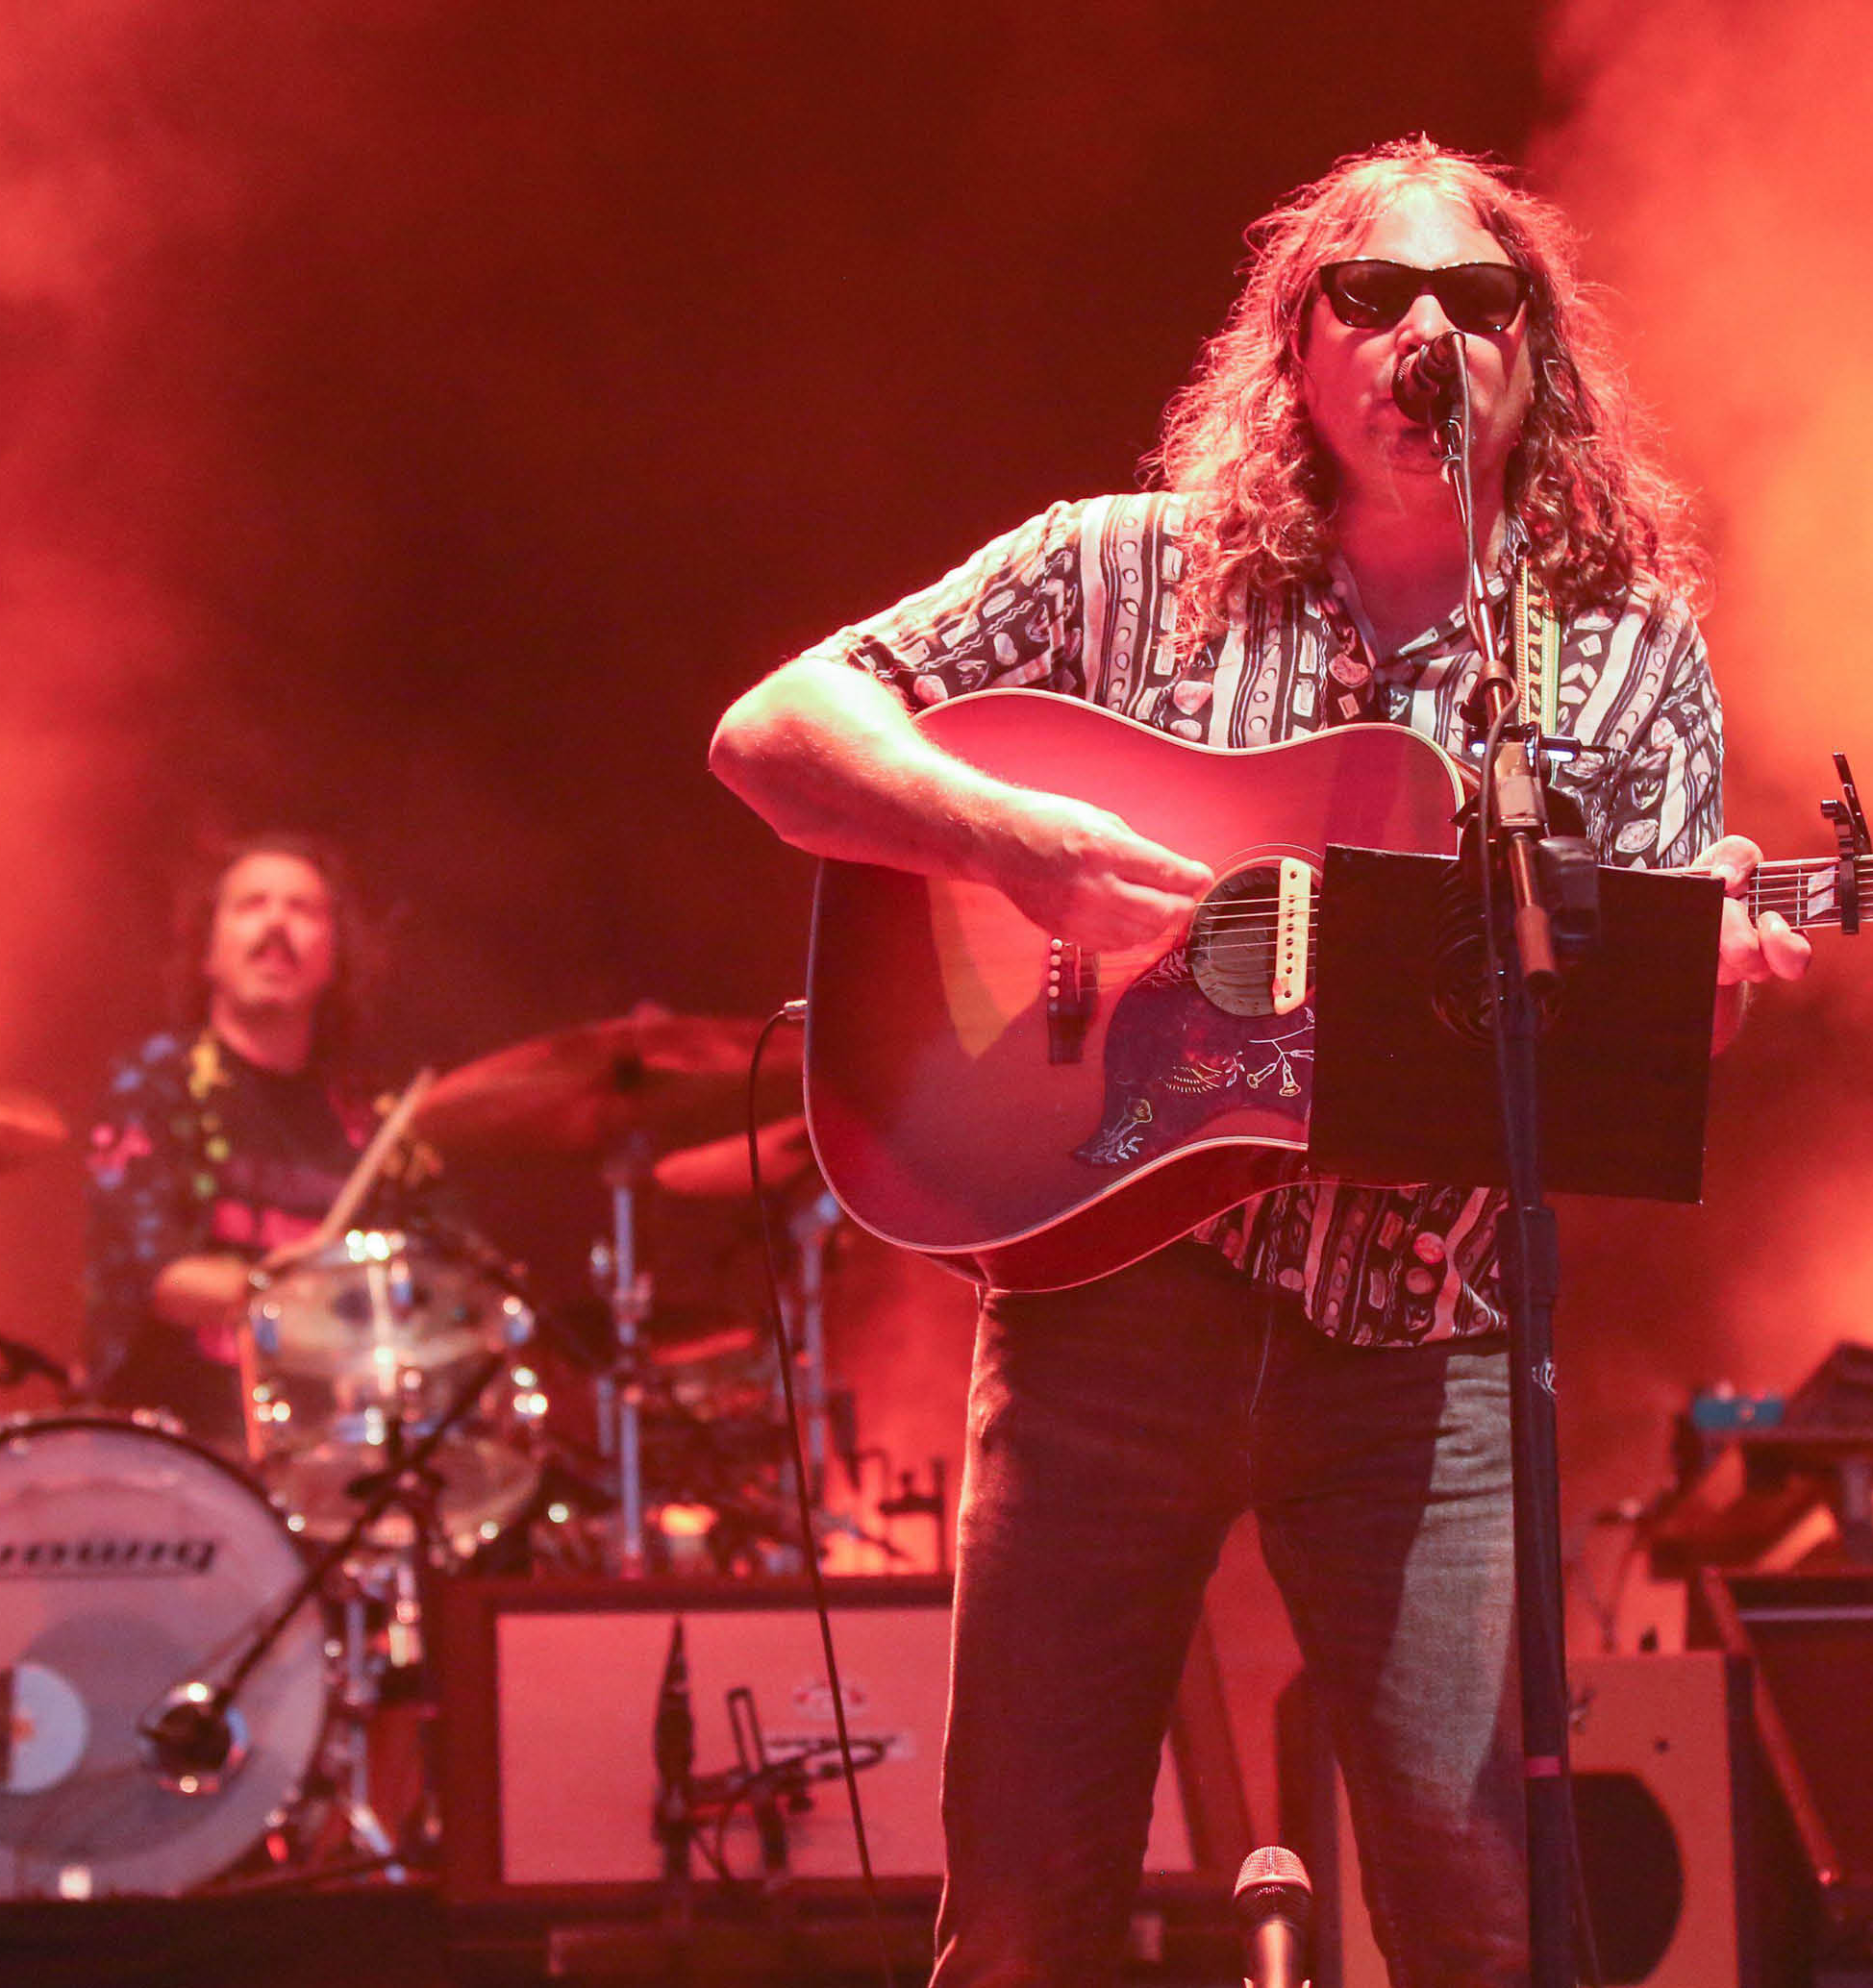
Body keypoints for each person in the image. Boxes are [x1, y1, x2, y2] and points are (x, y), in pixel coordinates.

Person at [712, 137, 1808, 1986]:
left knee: (1482, 1914)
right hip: (1108, 1304)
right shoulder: (1118, 575)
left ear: (1539, 354)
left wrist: (1714, 975)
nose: (1425, 334)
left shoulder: (1621, 660)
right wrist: (1005, 840)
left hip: (1423, 1341)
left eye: (1481, 298)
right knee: (1027, 1911)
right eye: (1369, 296)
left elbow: (1648, 1015)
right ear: (1290, 348)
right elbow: (772, 731)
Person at [84, 831, 410, 1451]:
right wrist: (282, 1293)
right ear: (207, 950)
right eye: (251, 905)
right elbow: (152, 1272)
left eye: (302, 910)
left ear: (334, 956)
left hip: (326, 1453)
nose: (276, 925)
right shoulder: (156, 1083)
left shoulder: (371, 1122)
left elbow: (439, 1284)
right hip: (167, 1453)